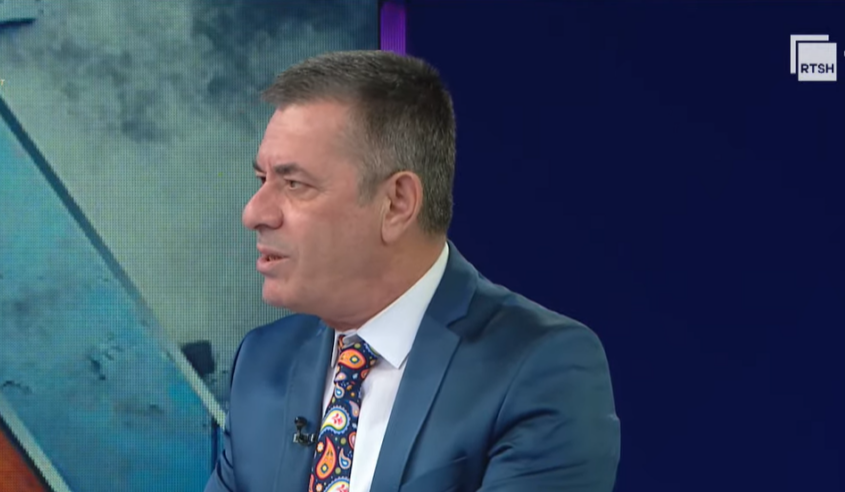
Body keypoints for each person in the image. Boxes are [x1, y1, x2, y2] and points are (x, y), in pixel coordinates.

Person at [204, 50, 619, 492]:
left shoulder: (541, 369)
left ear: (397, 204)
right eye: (261, 180)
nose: (254, 213)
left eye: (294, 184)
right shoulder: (263, 362)